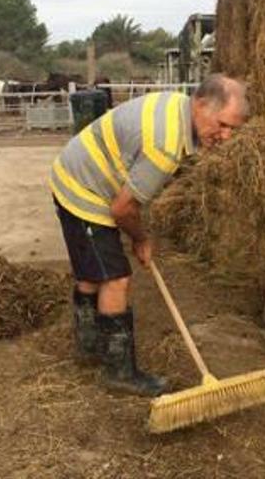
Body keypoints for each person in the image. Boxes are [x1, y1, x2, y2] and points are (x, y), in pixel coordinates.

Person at [50, 73, 249, 396]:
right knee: (115, 278)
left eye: (233, 130)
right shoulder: (165, 145)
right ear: (200, 104)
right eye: (223, 124)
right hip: (84, 188)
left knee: (93, 269)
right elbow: (122, 210)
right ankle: (118, 371)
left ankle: (89, 347)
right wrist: (141, 238)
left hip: (76, 169)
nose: (226, 136)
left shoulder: (177, 105)